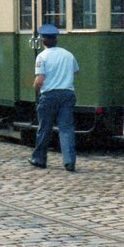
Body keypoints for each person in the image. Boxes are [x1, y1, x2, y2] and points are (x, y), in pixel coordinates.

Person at [29, 24, 79, 172]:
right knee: (66, 128)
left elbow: (40, 80)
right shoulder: (68, 54)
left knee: (45, 128)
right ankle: (69, 161)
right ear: (55, 39)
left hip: (49, 95)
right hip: (67, 94)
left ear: (43, 40)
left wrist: (36, 87)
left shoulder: (42, 56)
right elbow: (75, 71)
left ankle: (39, 158)